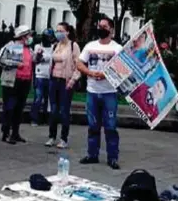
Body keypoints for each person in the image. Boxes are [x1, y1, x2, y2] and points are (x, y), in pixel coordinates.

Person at [77, 17, 123, 169]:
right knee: (93, 125)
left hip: (109, 92)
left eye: (104, 26)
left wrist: (106, 75)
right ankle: (92, 154)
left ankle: (113, 157)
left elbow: (123, 68)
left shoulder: (117, 48)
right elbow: (79, 63)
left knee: (110, 126)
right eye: (99, 25)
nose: (100, 28)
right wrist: (89, 72)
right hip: (92, 91)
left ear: (110, 29)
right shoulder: (90, 46)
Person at [0, 25, 34, 145]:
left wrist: (38, 56)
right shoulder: (10, 47)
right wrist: (15, 64)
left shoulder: (28, 49)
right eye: (28, 35)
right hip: (12, 81)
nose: (30, 37)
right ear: (23, 36)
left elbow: (33, 61)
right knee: (10, 107)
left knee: (19, 107)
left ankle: (15, 133)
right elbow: (0, 60)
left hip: (25, 81)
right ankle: (6, 133)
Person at [46, 22, 81, 148]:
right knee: (53, 109)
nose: (58, 33)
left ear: (67, 32)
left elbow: (79, 66)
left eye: (61, 30)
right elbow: (52, 62)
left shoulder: (73, 46)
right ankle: (51, 136)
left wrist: (72, 80)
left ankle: (63, 138)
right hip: (54, 79)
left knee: (64, 110)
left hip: (66, 81)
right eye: (57, 30)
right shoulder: (56, 45)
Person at [30, 29, 54, 127]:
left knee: (48, 98)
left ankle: (46, 118)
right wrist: (40, 56)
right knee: (38, 98)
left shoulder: (53, 47)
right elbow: (36, 60)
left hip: (49, 75)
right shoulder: (38, 46)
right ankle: (34, 118)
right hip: (39, 75)